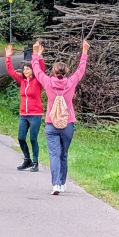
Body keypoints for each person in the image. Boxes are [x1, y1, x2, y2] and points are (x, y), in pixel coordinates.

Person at [31, 39, 89, 195]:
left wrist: (35, 54)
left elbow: (36, 70)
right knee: (64, 154)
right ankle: (62, 183)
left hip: (51, 124)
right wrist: (84, 52)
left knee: (54, 155)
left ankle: (56, 184)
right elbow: (81, 69)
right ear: (66, 72)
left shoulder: (48, 82)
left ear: (54, 72)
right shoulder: (71, 82)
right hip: (68, 124)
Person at [5, 44, 45, 173]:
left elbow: (41, 70)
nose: (26, 71)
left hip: (35, 115)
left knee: (33, 139)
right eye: (24, 69)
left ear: (33, 70)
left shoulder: (38, 81)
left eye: (28, 68)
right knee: (21, 138)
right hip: (24, 114)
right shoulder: (22, 81)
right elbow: (11, 71)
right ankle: (27, 160)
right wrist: (7, 57)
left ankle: (35, 162)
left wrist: (38, 57)